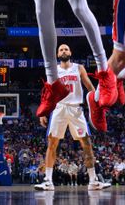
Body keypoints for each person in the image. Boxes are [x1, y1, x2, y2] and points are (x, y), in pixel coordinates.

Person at [34, 44, 111, 191]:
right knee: (52, 144)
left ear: (71, 52)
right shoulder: (54, 70)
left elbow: (90, 87)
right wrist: (43, 112)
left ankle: (93, 181)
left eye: (66, 49)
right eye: (61, 49)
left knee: (87, 143)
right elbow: (48, 92)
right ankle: (48, 181)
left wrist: (97, 103)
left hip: (76, 109)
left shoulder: (79, 68)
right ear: (57, 54)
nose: (64, 51)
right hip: (59, 108)